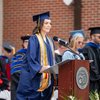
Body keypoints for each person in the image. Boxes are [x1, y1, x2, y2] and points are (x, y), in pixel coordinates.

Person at [16, 11, 55, 100]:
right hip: (32, 79)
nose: (49, 25)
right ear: (40, 25)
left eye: (50, 23)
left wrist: (53, 69)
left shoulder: (50, 41)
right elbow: (31, 58)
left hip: (46, 79)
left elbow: (52, 60)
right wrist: (41, 68)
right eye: (46, 23)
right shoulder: (34, 39)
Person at [11, 34, 30, 100]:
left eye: (29, 42)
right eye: (26, 42)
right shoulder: (20, 54)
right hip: (20, 81)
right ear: (23, 44)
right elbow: (17, 71)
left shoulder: (32, 54)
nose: (27, 43)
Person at [82, 27, 100, 92]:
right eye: (99, 37)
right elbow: (89, 65)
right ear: (92, 37)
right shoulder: (87, 48)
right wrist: (97, 76)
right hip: (93, 81)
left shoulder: (98, 48)